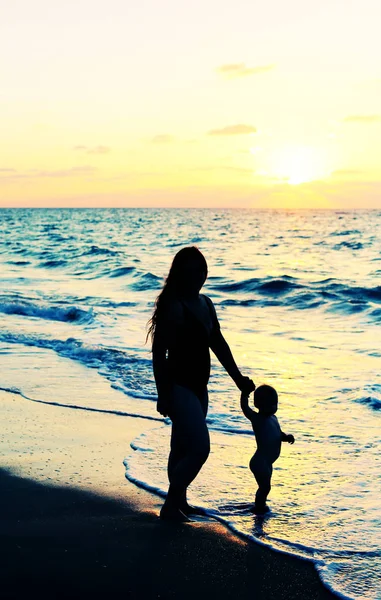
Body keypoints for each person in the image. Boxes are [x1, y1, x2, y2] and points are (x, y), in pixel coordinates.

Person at [147, 246, 255, 522]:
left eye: (203, 269)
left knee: (181, 446)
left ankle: (179, 501)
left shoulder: (206, 303)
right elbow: (159, 353)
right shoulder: (174, 305)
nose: (201, 275)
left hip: (200, 387)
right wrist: (163, 394)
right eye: (195, 270)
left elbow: (217, 343)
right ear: (182, 273)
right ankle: (171, 504)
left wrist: (238, 379)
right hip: (178, 386)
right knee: (199, 449)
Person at [240, 384, 295, 514]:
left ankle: (260, 505)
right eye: (268, 404)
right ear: (258, 404)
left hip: (268, 462)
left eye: (274, 404)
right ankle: (259, 507)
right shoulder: (257, 419)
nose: (272, 408)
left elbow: (278, 434)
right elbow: (245, 408)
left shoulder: (274, 419)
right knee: (265, 487)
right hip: (260, 462)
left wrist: (286, 437)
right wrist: (244, 394)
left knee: (265, 487)